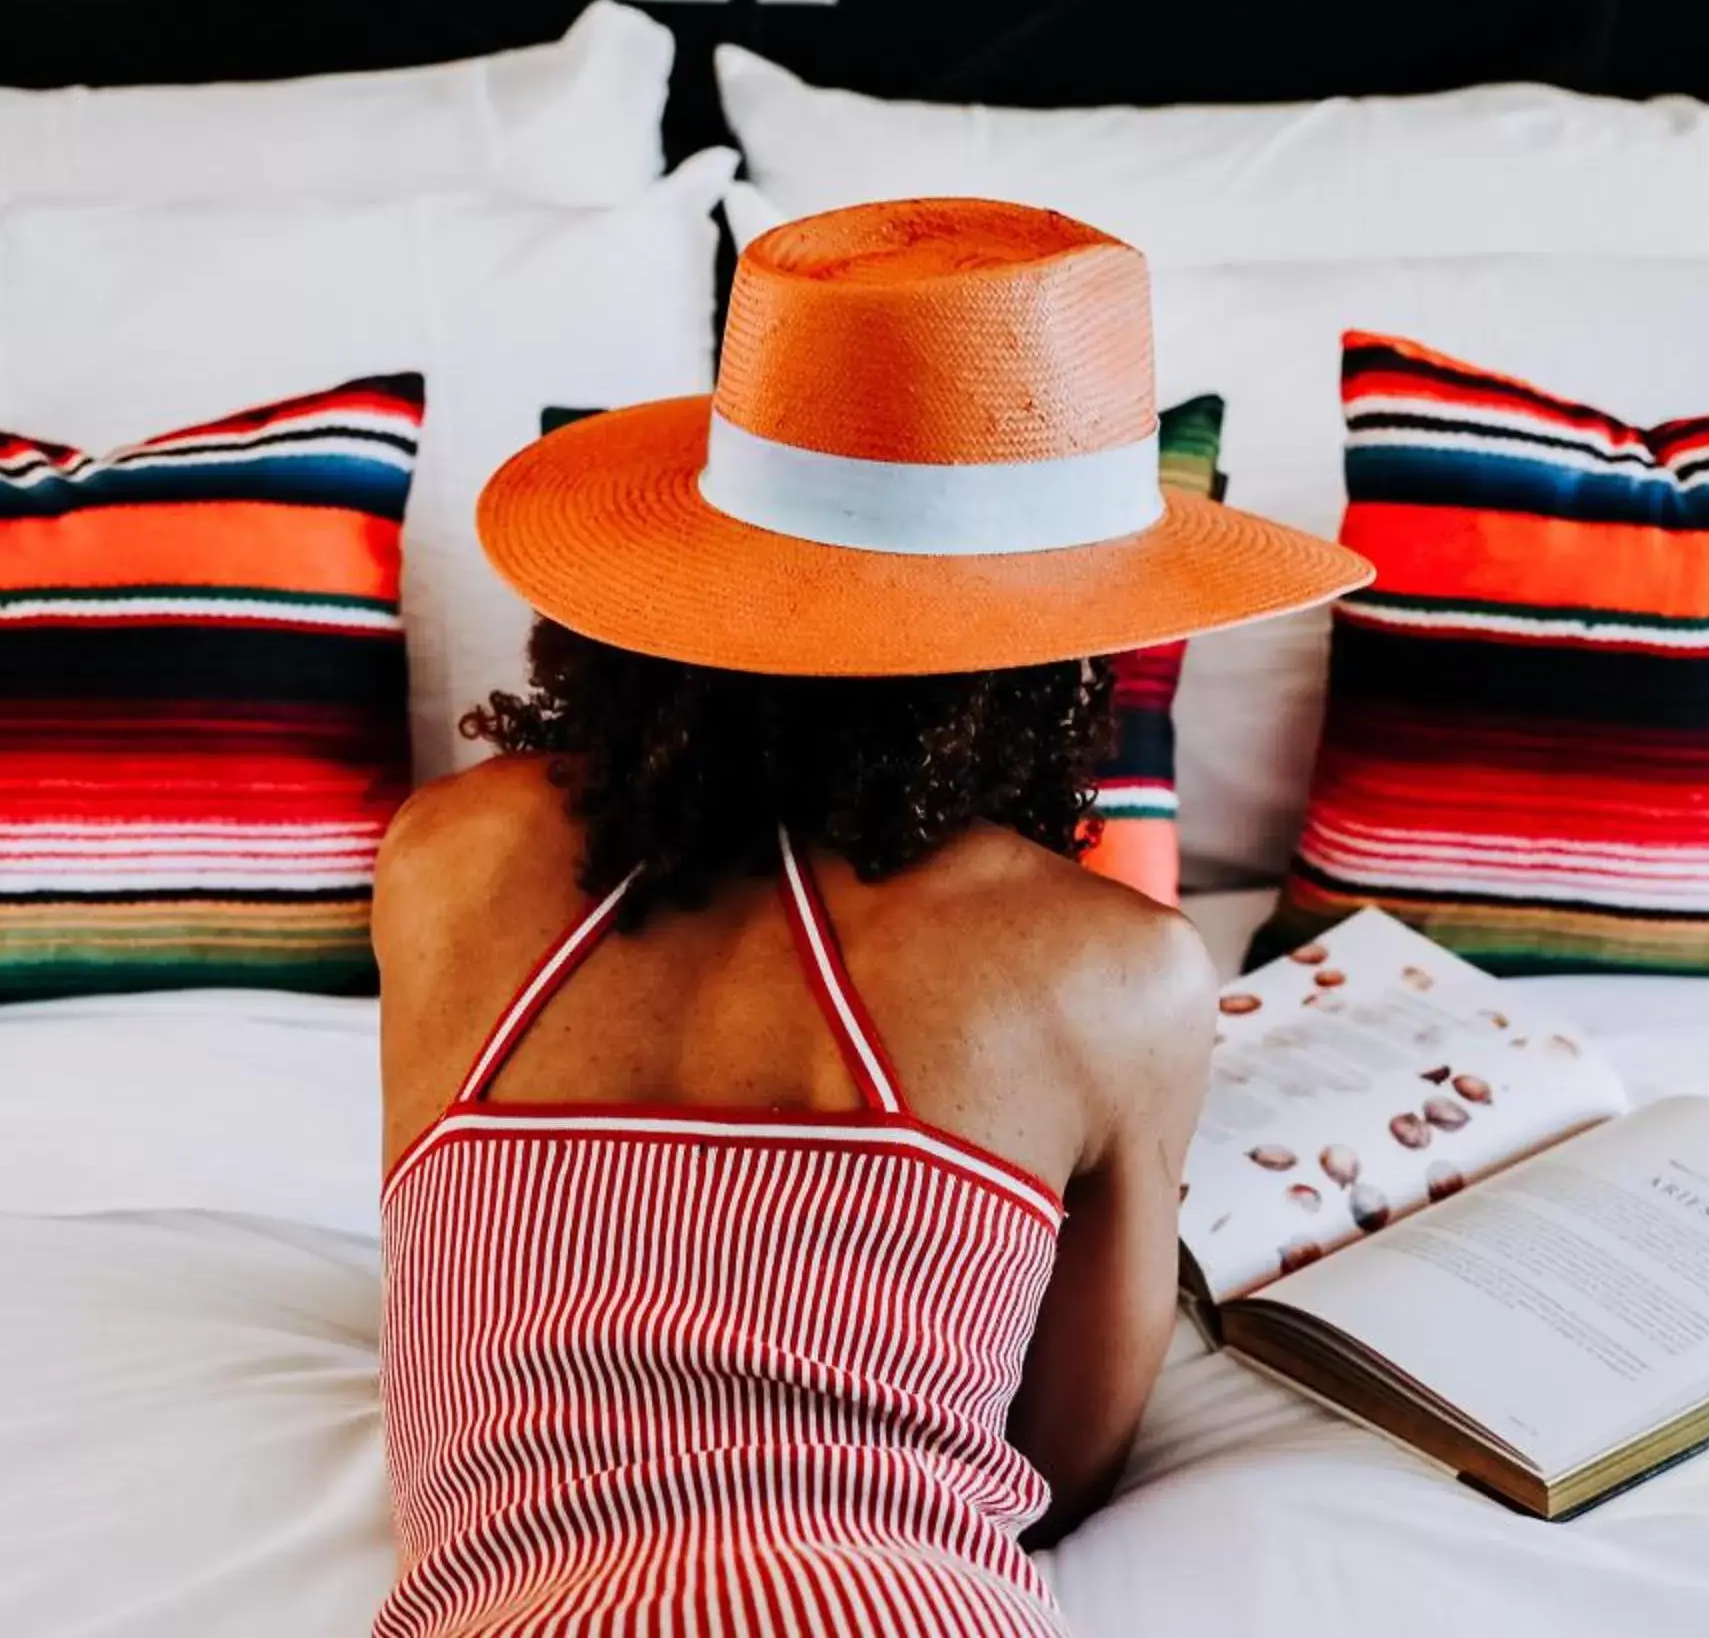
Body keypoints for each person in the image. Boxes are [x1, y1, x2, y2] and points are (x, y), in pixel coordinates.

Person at [372, 197, 1368, 1636]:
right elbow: (1062, 1461)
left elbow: (435, 1356)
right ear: (1058, 648)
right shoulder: (1111, 972)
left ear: (676, 573)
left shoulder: (443, 859)